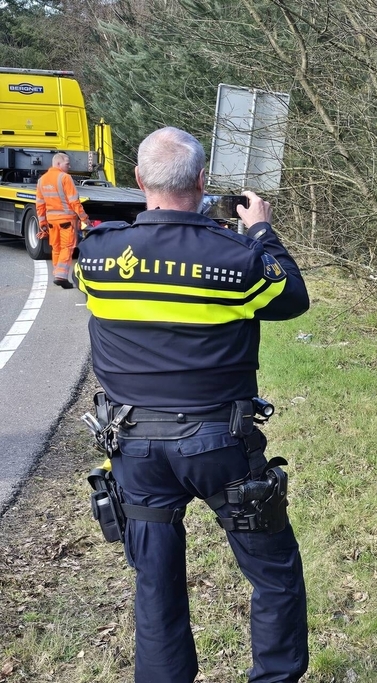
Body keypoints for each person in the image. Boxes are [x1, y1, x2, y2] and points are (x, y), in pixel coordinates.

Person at [75, 127, 310, 683]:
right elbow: (292, 298)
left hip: (132, 446)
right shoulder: (237, 261)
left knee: (155, 584)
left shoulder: (99, 255)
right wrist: (261, 229)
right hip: (220, 446)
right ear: (202, 182)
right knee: (273, 572)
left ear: (139, 181)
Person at [35, 152, 89, 288]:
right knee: (67, 247)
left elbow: (40, 204)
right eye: (67, 163)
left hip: (52, 221)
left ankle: (57, 274)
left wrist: (42, 223)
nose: (69, 166)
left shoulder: (42, 180)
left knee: (56, 247)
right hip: (66, 220)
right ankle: (61, 276)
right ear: (58, 163)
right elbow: (74, 201)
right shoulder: (65, 178)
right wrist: (84, 218)